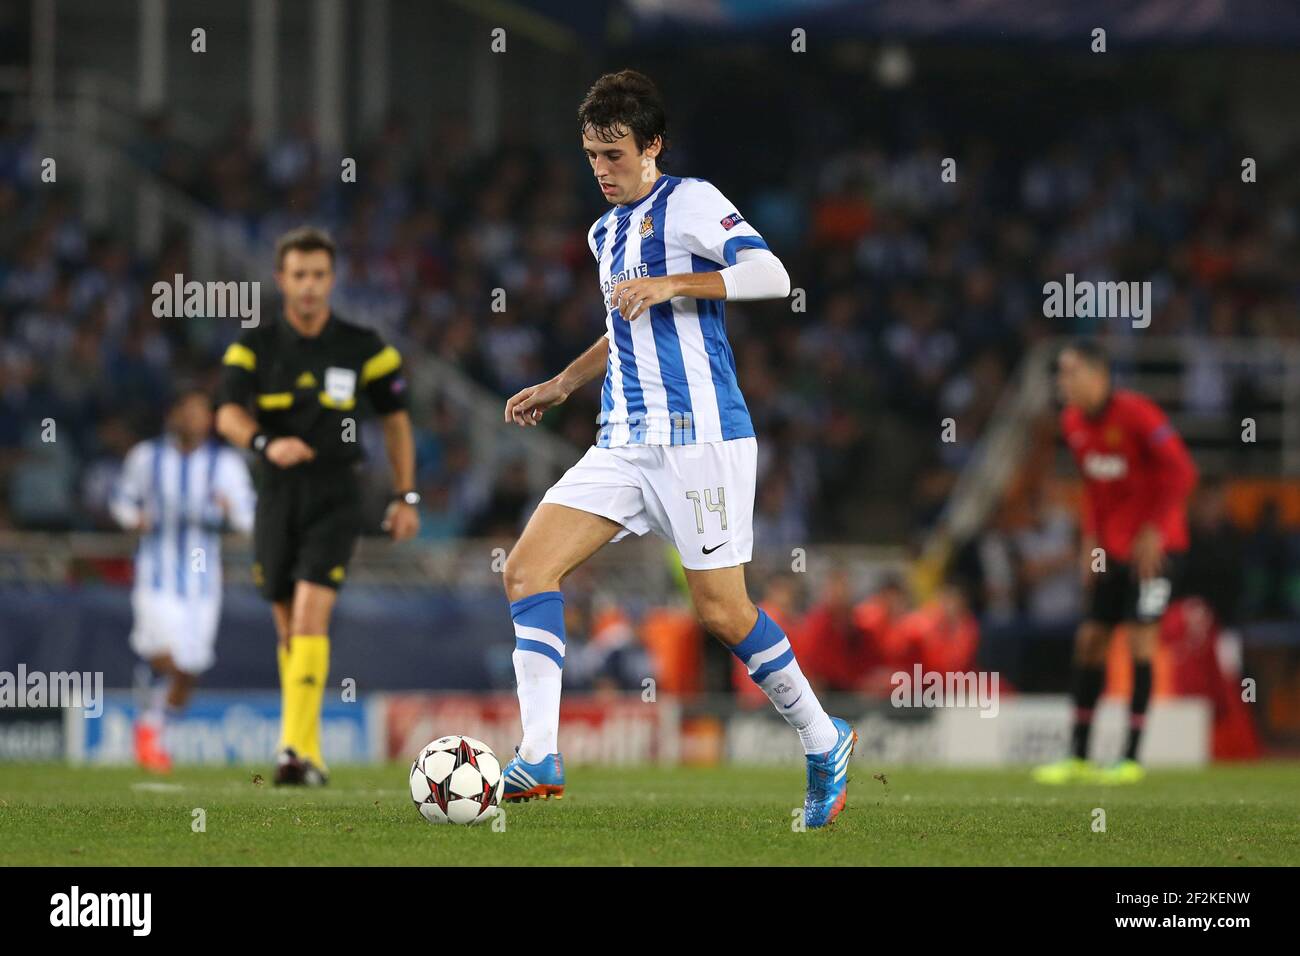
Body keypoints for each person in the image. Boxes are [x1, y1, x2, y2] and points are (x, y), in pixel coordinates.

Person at [497, 70, 856, 827]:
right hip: (624, 444)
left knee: (723, 613)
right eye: (592, 154)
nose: (601, 169)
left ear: (652, 146)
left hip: (701, 440)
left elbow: (771, 274)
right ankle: (539, 755)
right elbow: (622, 326)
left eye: (615, 153)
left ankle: (825, 739)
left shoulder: (689, 202)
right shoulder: (604, 233)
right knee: (527, 566)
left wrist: (673, 285)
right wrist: (562, 383)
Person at [214, 227, 420, 786]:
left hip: (337, 493)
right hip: (276, 496)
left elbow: (397, 423)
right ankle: (308, 754)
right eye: (299, 275)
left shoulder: (364, 347)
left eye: (319, 275)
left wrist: (405, 496)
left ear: (332, 280)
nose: (309, 286)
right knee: (286, 628)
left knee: (309, 614)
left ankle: (290, 750)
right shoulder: (254, 346)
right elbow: (227, 414)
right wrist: (265, 442)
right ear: (282, 279)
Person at [1034, 340, 1197, 785]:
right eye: (1060, 373)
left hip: (1156, 551)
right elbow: (1094, 491)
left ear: (1097, 375)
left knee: (1141, 641)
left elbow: (1182, 471)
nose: (1061, 381)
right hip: (1112, 548)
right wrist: (1091, 543)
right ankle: (1079, 756)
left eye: (1069, 372)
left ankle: (1130, 758)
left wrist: (1154, 530)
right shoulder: (1073, 424)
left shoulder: (1138, 413)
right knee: (1089, 640)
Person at [111, 389, 255, 772]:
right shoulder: (146, 457)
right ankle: (150, 726)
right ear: (174, 414)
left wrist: (231, 512)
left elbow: (248, 517)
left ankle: (153, 728)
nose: (195, 419)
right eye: (188, 411)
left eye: (202, 413)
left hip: (202, 583)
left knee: (191, 666)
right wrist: (132, 518)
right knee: (163, 653)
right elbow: (121, 500)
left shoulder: (225, 464)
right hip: (155, 576)